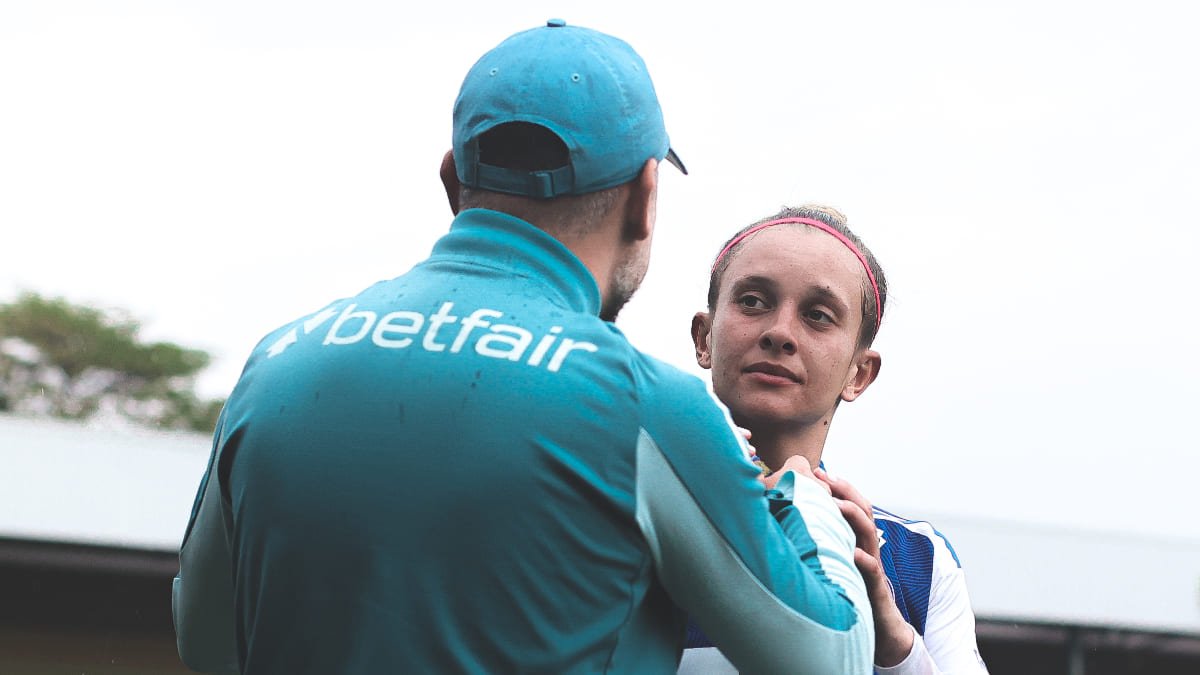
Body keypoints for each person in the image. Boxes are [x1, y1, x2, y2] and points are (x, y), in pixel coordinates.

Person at [171, 21, 875, 674]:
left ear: (453, 180)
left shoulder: (276, 363)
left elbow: (204, 640)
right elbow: (832, 659)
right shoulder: (643, 405)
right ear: (645, 197)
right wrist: (805, 497)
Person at [679, 205, 989, 674]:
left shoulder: (919, 561)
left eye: (818, 315)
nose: (780, 333)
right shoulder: (613, 514)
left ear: (859, 373)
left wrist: (892, 643)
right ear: (704, 337)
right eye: (753, 301)